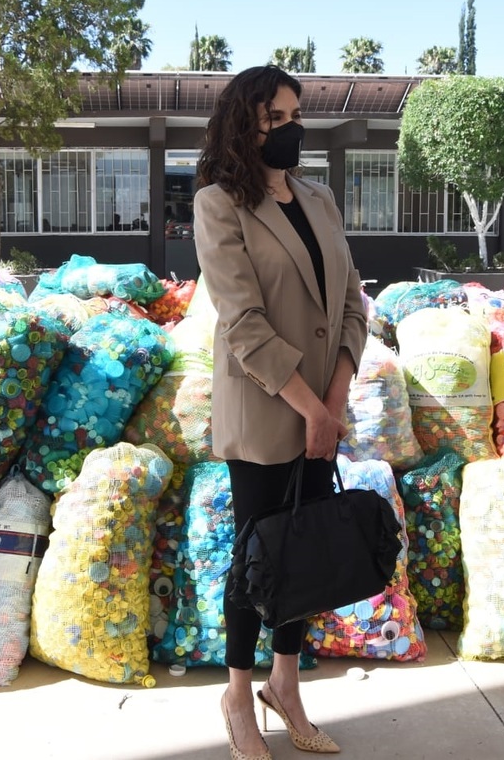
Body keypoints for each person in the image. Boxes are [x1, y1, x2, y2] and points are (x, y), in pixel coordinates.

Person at [193, 65, 367, 760]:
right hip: (267, 411)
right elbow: (244, 323)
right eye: (276, 117)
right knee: (256, 557)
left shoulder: (319, 199)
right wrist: (308, 407)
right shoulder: (219, 204)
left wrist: (334, 402)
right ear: (245, 123)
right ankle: (238, 695)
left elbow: (352, 304)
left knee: (304, 553)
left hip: (321, 408)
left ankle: (285, 686)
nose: (291, 128)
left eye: (296, 114)